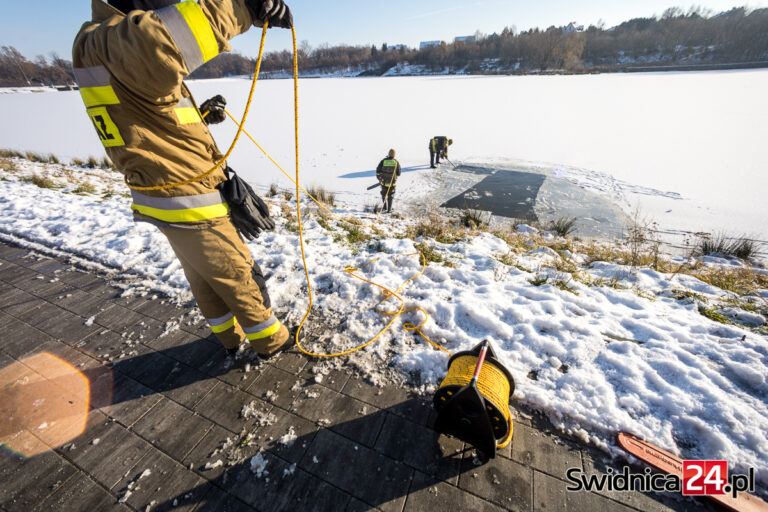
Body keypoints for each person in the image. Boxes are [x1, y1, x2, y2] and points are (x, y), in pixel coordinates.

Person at [71, 0, 294, 358]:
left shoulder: (97, 43)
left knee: (205, 278)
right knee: (239, 274)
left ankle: (229, 339)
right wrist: (244, 5)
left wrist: (201, 115)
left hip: (163, 190)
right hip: (187, 194)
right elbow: (171, 38)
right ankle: (273, 342)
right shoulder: (117, 41)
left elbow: (147, 112)